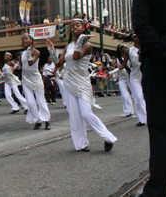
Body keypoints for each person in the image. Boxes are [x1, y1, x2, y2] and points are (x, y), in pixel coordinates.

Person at [131, 0, 166, 196]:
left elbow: (142, 28)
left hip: (159, 64)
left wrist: (163, 54)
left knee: (161, 130)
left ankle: (156, 191)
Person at [46, 18, 117, 152]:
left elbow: (76, 57)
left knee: (85, 113)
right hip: (69, 82)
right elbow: (58, 64)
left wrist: (80, 40)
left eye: (77, 26)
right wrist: (51, 50)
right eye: (72, 26)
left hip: (82, 82)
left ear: (83, 28)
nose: (74, 28)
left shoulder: (87, 45)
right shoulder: (68, 46)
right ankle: (81, 144)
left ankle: (108, 138)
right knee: (74, 115)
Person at [111, 34, 147, 125]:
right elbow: (123, 64)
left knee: (148, 98)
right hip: (135, 78)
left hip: (146, 76)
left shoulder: (147, 48)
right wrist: (111, 73)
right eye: (136, 36)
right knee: (138, 97)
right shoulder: (129, 50)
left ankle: (152, 116)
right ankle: (143, 119)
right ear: (133, 38)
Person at [20, 34, 51, 130]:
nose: (24, 40)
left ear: (31, 40)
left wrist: (29, 51)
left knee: (41, 101)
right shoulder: (22, 53)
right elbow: (23, 65)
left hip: (35, 79)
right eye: (22, 39)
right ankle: (37, 121)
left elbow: (30, 63)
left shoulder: (36, 52)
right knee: (30, 102)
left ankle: (47, 121)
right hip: (25, 79)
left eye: (26, 38)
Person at [104, 48, 134, 117]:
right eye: (124, 48)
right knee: (124, 95)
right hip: (122, 79)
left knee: (136, 95)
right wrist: (107, 56)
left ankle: (137, 111)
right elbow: (111, 63)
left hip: (131, 78)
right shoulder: (118, 59)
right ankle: (127, 112)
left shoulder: (129, 58)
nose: (125, 49)